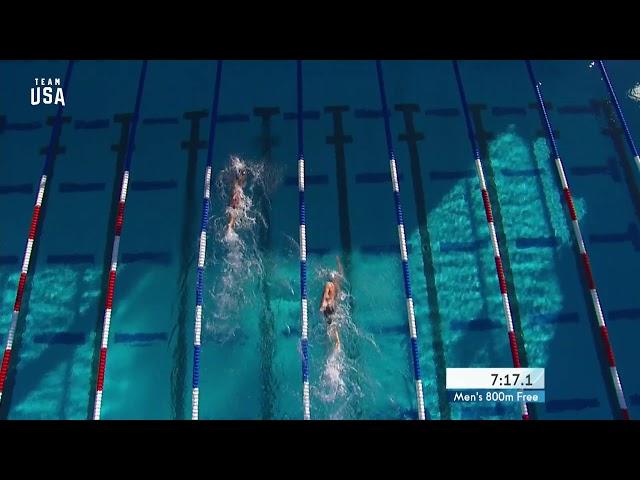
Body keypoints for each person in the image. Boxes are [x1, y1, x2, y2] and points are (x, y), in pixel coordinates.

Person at [320, 256, 344, 351]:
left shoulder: (328, 284)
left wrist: (323, 304)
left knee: (329, 325)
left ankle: (331, 345)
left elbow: (325, 295)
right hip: (334, 306)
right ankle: (337, 344)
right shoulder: (337, 285)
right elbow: (341, 273)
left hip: (328, 306)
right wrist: (339, 263)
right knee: (334, 324)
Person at [226, 166, 248, 233]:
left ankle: (230, 228)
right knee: (234, 211)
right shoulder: (238, 187)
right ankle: (230, 228)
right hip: (237, 198)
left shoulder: (237, 187)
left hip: (237, 199)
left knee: (234, 211)